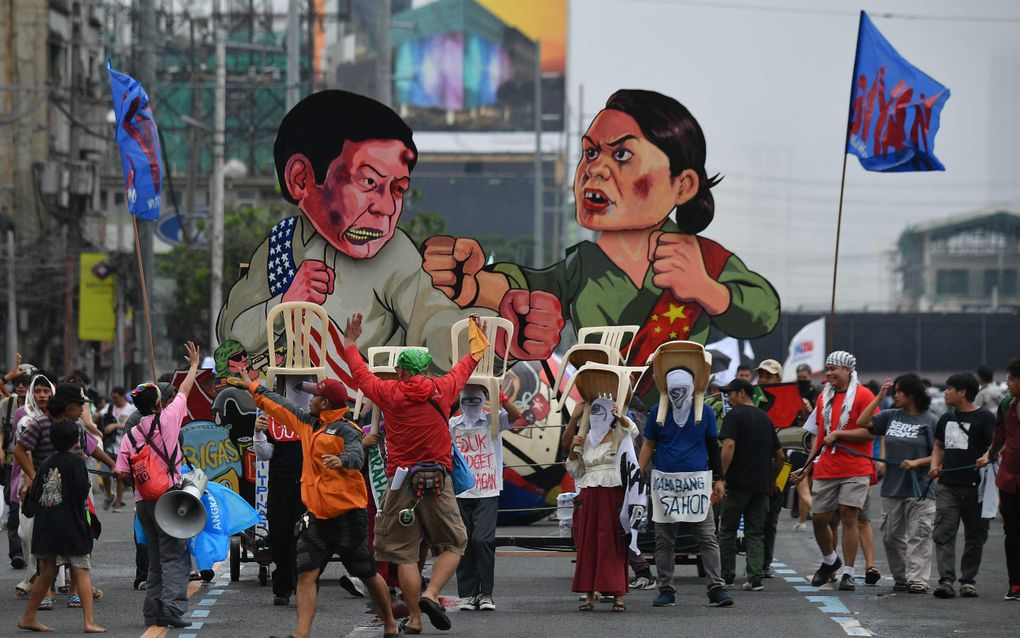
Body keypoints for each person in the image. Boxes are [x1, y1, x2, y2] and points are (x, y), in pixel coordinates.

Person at [423, 89, 780, 386]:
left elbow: (763, 311)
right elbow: (525, 287)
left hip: (673, 424)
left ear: (682, 185)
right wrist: (469, 284)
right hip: (599, 420)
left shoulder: (702, 258)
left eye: (622, 154)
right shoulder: (583, 265)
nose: (594, 168)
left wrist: (707, 289)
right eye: (591, 152)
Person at [217, 90, 515, 376]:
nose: (386, 207)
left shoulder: (392, 253)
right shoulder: (280, 246)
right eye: (369, 182)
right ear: (301, 179)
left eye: (398, 189)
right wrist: (284, 304)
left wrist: (498, 339)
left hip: (365, 415)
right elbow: (232, 339)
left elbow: (434, 323)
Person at [340, 312, 488, 633]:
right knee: (455, 544)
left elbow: (360, 373)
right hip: (438, 482)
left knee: (404, 555)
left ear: (402, 370)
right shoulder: (445, 388)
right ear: (425, 369)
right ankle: (431, 594)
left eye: (398, 369)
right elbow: (472, 359)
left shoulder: (388, 393)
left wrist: (351, 342)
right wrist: (476, 332)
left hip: (401, 482)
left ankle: (417, 618)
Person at [229, 375, 399, 638]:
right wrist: (252, 387)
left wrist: (341, 460)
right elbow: (279, 405)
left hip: (347, 517)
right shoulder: (309, 423)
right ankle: (301, 634)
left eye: (315, 395)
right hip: (317, 517)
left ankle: (389, 622)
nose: (309, 399)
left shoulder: (347, 430)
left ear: (325, 402)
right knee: (306, 575)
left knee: (366, 573)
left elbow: (356, 454)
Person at [116, 342, 201, 628]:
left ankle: (152, 612)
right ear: (160, 402)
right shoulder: (168, 420)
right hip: (169, 499)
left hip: (143, 503)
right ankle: (171, 610)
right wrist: (192, 366)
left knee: (155, 559)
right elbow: (186, 390)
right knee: (176, 556)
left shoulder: (131, 433)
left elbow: (122, 473)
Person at [638, 368, 733, 608]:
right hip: (666, 485)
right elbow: (649, 442)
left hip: (696, 485)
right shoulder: (657, 412)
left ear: (691, 390)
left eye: (682, 390)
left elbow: (712, 445)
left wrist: (719, 479)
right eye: (672, 391)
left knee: (707, 537)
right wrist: (638, 471)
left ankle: (716, 587)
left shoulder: (706, 412)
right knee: (663, 540)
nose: (677, 396)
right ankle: (666, 588)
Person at [791, 351, 877, 592]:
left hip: (856, 466)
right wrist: (806, 467)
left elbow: (871, 432)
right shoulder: (822, 398)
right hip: (826, 466)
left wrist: (840, 434)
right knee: (819, 519)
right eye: (827, 369)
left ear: (848, 370)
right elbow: (819, 435)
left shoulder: (864, 395)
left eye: (834, 369)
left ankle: (848, 572)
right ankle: (831, 560)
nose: (829, 373)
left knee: (850, 516)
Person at [16, 418, 105, 633]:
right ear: (76, 439)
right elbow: (82, 492)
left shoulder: (46, 462)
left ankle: (28, 617)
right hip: (71, 525)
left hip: (45, 526)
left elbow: (36, 492)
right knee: (82, 570)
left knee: (47, 573)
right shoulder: (76, 462)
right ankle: (89, 621)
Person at [857, 374, 937, 593]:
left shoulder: (930, 421)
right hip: (892, 487)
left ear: (912, 394)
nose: (896, 395)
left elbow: (940, 454)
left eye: (899, 391)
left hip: (920, 488)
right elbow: (862, 422)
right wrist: (879, 396)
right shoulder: (890, 416)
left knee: (918, 535)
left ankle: (918, 581)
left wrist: (917, 462)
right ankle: (901, 576)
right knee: (891, 535)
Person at [450, 385, 524, 611]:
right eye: (466, 400)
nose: (471, 405)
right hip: (461, 491)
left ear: (484, 400)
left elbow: (517, 417)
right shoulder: (452, 425)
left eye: (476, 400)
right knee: (464, 542)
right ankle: (467, 594)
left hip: (488, 489)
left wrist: (500, 396)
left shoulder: (493, 421)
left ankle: (486, 593)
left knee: (482, 540)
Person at [928, 372, 996, 599]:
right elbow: (938, 445)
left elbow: (996, 445)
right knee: (944, 532)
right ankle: (946, 581)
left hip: (976, 486)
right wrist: (935, 465)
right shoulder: (946, 419)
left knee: (975, 535)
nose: (945, 392)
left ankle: (968, 581)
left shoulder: (985, 418)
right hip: (947, 485)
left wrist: (987, 456)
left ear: (963, 392)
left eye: (949, 388)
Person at [567, 397, 638, 612]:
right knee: (589, 542)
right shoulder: (585, 438)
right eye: (594, 414)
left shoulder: (620, 435)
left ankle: (617, 594)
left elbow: (633, 431)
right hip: (589, 494)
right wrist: (573, 449)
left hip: (612, 493)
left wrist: (621, 416)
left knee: (612, 541)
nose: (597, 418)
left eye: (602, 414)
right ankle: (588, 594)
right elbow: (575, 469)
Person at [717, 378, 785, 592]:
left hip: (737, 485)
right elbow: (780, 455)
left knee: (727, 530)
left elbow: (728, 444)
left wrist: (721, 475)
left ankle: (727, 576)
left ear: (742, 393)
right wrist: (773, 479)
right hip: (761, 486)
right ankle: (755, 577)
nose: (728, 398)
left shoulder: (734, 416)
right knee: (756, 532)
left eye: (731, 393)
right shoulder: (765, 419)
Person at [252, 407, 305, 607]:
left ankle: (305, 587)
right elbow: (264, 454)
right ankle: (283, 587)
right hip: (280, 486)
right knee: (280, 536)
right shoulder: (272, 417)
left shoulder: (313, 418)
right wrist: (258, 431)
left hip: (306, 485)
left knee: (304, 538)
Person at [977, 356, 1020, 600]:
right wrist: (990, 455)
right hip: (1009, 479)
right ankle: (1015, 584)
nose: (1008, 383)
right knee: (1012, 532)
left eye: (1012, 379)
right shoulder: (1006, 404)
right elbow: (999, 436)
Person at [752, 359, 787, 579]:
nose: (763, 379)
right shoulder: (751, 400)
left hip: (783, 466)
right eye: (761, 375)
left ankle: (765, 563)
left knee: (771, 519)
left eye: (768, 375)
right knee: (754, 517)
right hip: (754, 464)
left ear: (779, 379)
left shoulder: (793, 402)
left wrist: (804, 411)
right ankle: (754, 562)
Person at [1, 361, 33, 570]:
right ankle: (16, 554)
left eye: (25, 382)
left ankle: (31, 552)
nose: (21, 386)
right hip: (11, 463)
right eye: (18, 382)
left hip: (33, 464)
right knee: (12, 506)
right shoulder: (8, 404)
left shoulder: (42, 405)